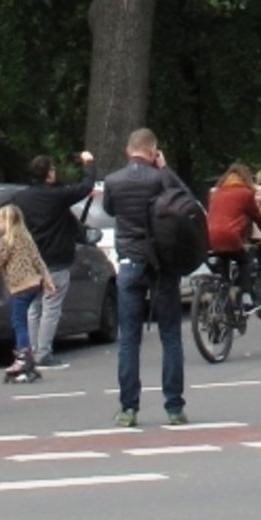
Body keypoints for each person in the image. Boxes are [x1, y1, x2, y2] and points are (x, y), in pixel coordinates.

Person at [103, 128, 192, 428]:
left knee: (129, 339)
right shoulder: (159, 179)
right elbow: (185, 201)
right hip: (161, 263)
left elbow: (110, 210)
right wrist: (164, 169)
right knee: (170, 336)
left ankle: (128, 408)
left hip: (129, 262)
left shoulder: (114, 181)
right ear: (154, 152)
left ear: (129, 150)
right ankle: (174, 407)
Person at [12, 151, 95, 368]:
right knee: (51, 307)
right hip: (55, 260)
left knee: (34, 307)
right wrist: (88, 164)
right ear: (49, 174)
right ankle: (44, 353)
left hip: (30, 260)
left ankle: (29, 350)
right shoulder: (57, 197)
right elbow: (85, 187)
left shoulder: (21, 198)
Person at [0, 204, 55, 383]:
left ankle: (23, 356)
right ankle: (25, 355)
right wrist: (47, 281)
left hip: (20, 287)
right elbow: (38, 260)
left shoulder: (6, 241)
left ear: (7, 222)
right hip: (33, 284)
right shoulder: (26, 237)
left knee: (18, 321)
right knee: (20, 319)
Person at [207, 163, 261, 308]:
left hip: (210, 237)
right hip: (230, 236)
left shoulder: (216, 193)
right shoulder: (245, 194)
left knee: (223, 259)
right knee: (245, 261)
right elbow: (258, 218)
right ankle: (246, 295)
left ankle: (223, 299)